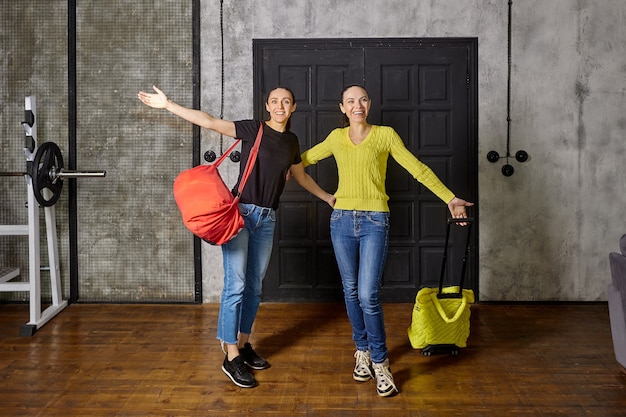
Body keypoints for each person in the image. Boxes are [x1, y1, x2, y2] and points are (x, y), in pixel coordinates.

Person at [137, 85, 335, 388]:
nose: (280, 105)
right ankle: (230, 356)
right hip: (240, 216)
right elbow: (209, 121)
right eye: (274, 101)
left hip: (267, 218)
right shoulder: (253, 129)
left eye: (286, 101)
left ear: (293, 107)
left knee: (254, 288)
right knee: (236, 285)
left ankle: (242, 345)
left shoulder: (292, 141)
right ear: (267, 106)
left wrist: (327, 198)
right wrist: (168, 105)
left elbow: (300, 175)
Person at [300, 84, 473, 397]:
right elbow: (300, 161)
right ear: (342, 107)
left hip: (374, 220)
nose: (357, 105)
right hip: (340, 221)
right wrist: (322, 195)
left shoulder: (385, 135)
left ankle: (380, 362)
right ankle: (362, 352)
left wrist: (449, 198)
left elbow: (416, 168)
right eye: (350, 101)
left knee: (368, 294)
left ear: (369, 104)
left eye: (362, 99)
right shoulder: (336, 138)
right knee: (351, 292)